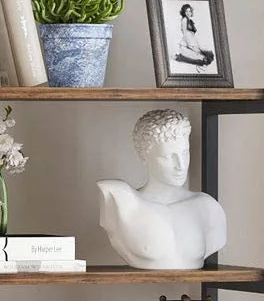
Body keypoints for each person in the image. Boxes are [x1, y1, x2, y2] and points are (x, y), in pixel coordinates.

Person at [96, 109, 226, 270]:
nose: (180, 165)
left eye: (185, 153)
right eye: (167, 157)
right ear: (143, 156)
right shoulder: (119, 198)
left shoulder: (207, 207)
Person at [174, 3, 215, 68]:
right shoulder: (184, 20)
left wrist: (197, 47)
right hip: (186, 45)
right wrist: (192, 47)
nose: (188, 13)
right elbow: (186, 35)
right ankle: (180, 57)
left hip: (191, 43)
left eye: (189, 11)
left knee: (207, 54)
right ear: (184, 12)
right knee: (200, 58)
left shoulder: (190, 21)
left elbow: (192, 36)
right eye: (186, 11)